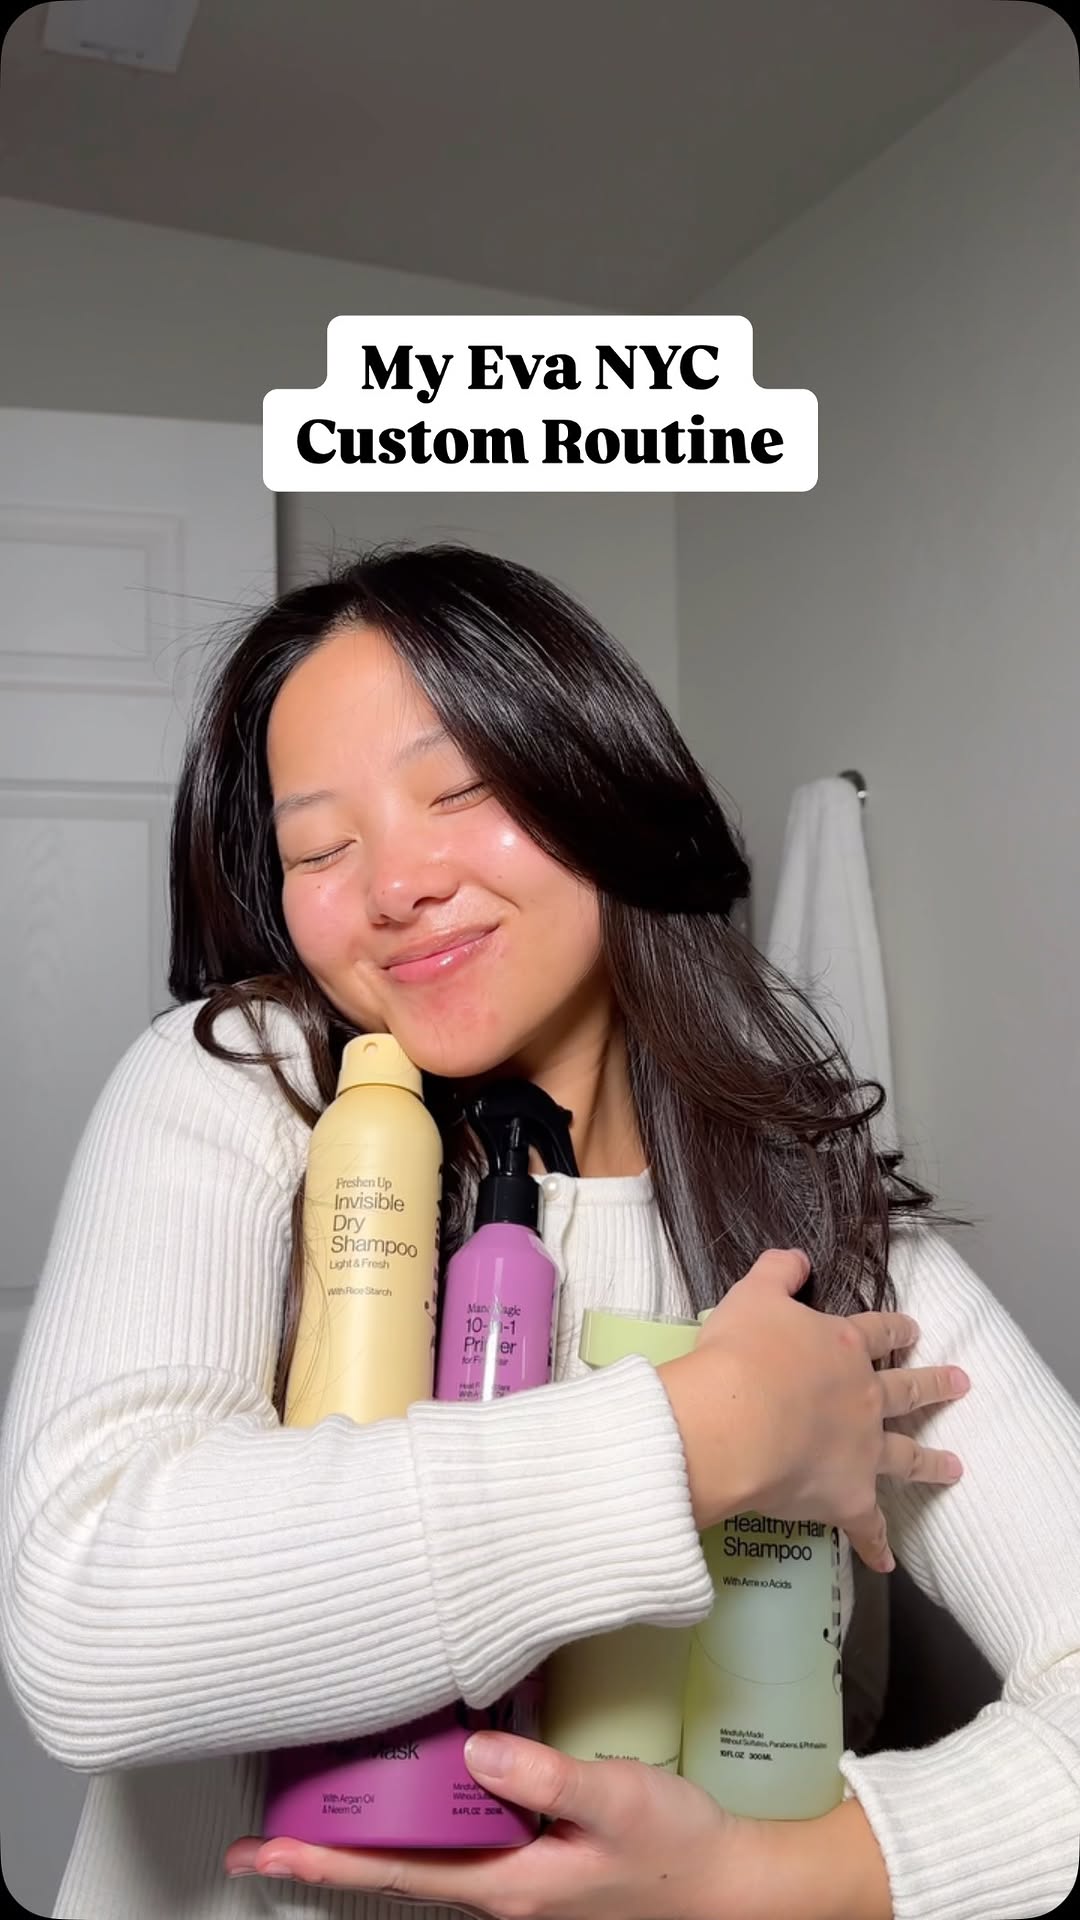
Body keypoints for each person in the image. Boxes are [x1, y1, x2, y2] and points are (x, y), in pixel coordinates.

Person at [0, 544, 1076, 1920]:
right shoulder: (246, 1092)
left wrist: (763, 1878)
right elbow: (87, 1627)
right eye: (320, 848)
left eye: (460, 791)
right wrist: (698, 1437)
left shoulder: (820, 1232)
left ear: (600, 780)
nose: (393, 886)